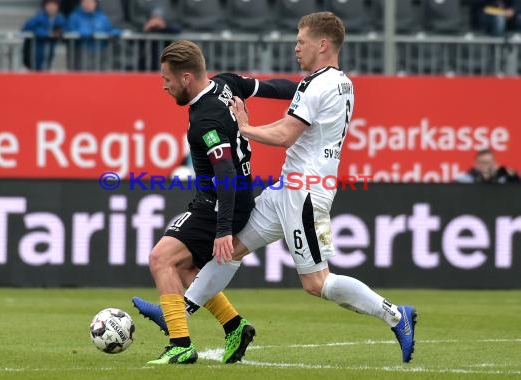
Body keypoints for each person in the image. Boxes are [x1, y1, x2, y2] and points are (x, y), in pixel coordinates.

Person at [135, 12, 418, 364]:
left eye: (301, 41)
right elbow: (279, 89)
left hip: (305, 192)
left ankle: (395, 315)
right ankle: (179, 315)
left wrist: (245, 127)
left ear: (323, 44)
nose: (296, 47)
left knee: (316, 283)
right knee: (230, 250)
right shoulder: (332, 82)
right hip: (287, 188)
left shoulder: (321, 85)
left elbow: (285, 135)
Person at [133, 40, 297, 365]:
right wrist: (306, 90)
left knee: (161, 259)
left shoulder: (205, 121)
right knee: (186, 269)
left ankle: (180, 343)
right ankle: (235, 326)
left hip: (220, 205)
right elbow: (272, 87)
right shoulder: (227, 83)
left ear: (186, 78)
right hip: (224, 202)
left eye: (167, 79)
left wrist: (223, 229)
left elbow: (224, 171)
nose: (163, 85)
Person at [66, 0, 121, 71]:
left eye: (90, 2)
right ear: (81, 4)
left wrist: (115, 32)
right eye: (85, 2)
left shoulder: (102, 17)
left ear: (95, 4)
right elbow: (69, 30)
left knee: (100, 75)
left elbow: (109, 29)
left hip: (100, 52)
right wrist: (81, 33)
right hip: (81, 52)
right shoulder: (74, 17)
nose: (87, 5)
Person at [21, 0, 66, 71]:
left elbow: (63, 30)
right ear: (45, 6)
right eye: (49, 5)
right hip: (36, 50)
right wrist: (44, 33)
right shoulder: (38, 17)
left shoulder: (59, 19)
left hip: (49, 50)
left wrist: (58, 33)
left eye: (54, 5)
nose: (51, 8)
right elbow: (26, 28)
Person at [455, 148, 520, 183]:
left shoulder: (503, 178)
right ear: (475, 163)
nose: (484, 166)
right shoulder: (464, 178)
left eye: (487, 162)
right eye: (481, 162)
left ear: (494, 163)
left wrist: (513, 176)